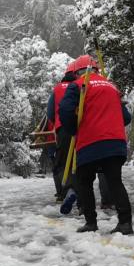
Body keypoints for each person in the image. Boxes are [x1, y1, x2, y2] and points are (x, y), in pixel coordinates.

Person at [59, 55, 134, 234]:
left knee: (84, 182)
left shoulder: (77, 86)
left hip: (90, 141)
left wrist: (73, 129)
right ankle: (125, 222)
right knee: (115, 181)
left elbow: (65, 110)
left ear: (77, 72)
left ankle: (91, 222)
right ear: (96, 70)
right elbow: (126, 117)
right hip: (115, 142)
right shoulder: (111, 87)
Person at [47, 62, 78, 202]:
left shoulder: (58, 89)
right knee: (79, 162)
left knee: (62, 161)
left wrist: (57, 124)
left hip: (63, 129)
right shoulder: (82, 86)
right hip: (82, 128)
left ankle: (63, 192)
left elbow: (50, 112)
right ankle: (80, 193)